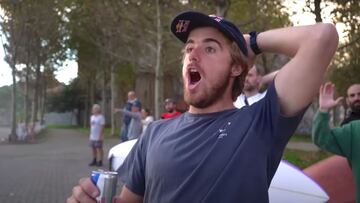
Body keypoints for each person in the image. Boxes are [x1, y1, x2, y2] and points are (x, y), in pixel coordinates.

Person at [68, 10, 338, 203]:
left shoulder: (259, 122)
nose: (193, 55)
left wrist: (251, 43)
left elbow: (322, 37)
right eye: (189, 48)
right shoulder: (154, 133)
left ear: (235, 67)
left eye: (210, 49)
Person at [312, 82, 360, 202]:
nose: (356, 98)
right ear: (348, 100)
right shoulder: (353, 130)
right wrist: (323, 111)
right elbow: (322, 138)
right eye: (352, 95)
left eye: (359, 94)